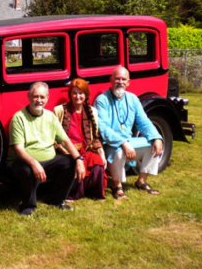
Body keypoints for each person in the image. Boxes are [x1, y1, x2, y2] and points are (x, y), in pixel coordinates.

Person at [8, 82, 86, 216]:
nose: (39, 100)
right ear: (29, 96)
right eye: (35, 96)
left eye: (42, 97)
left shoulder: (50, 116)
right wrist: (34, 163)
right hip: (23, 162)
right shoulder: (18, 118)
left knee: (69, 162)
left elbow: (66, 141)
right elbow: (19, 149)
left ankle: (56, 200)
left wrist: (79, 159)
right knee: (27, 170)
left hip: (48, 162)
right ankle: (28, 206)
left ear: (47, 98)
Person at [94, 66, 163, 200]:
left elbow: (144, 122)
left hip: (129, 143)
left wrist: (157, 137)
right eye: (117, 79)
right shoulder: (102, 100)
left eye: (123, 79)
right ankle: (117, 185)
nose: (120, 82)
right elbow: (103, 129)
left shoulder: (133, 99)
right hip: (110, 145)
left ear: (128, 82)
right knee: (119, 151)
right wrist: (123, 143)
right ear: (111, 80)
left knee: (154, 144)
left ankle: (141, 181)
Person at [53, 78, 107, 202]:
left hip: (86, 150)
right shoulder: (59, 110)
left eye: (81, 93)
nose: (78, 96)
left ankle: (94, 193)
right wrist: (66, 151)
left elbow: (95, 136)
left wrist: (101, 151)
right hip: (67, 151)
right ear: (70, 94)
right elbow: (54, 137)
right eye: (75, 93)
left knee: (98, 162)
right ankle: (71, 193)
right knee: (73, 164)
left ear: (86, 95)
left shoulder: (92, 112)